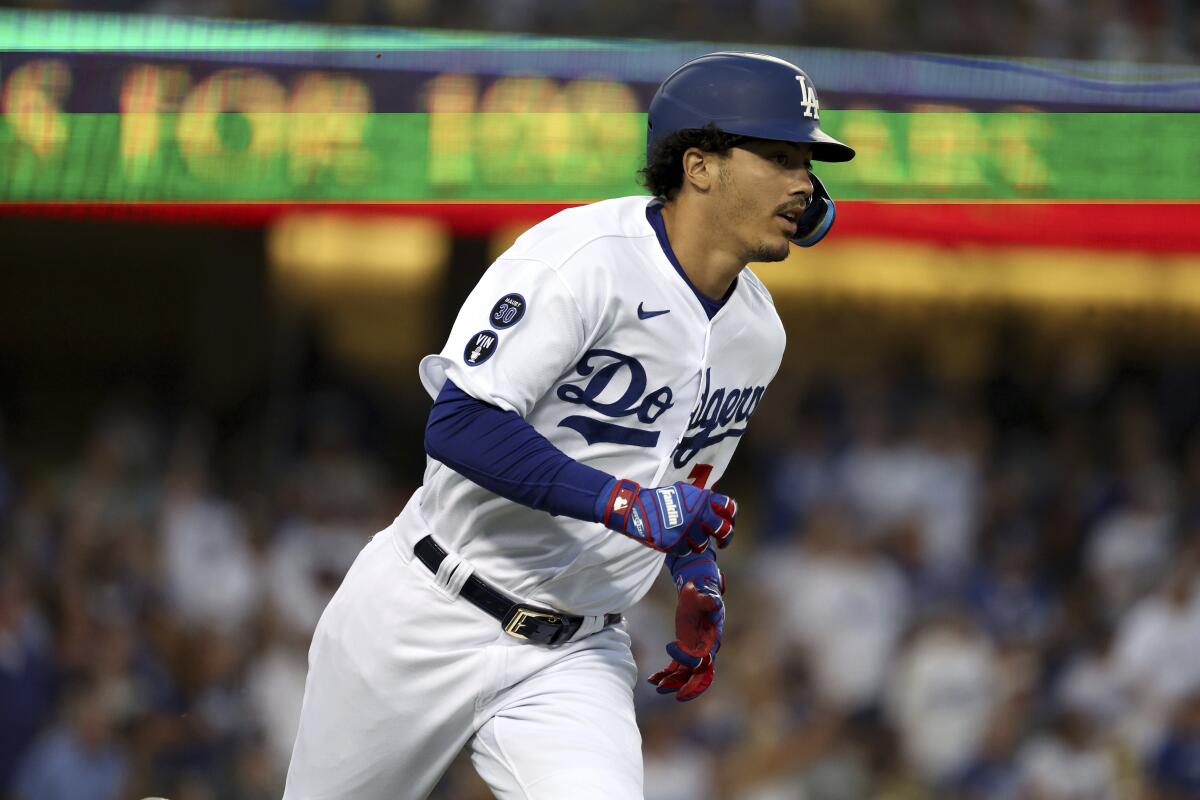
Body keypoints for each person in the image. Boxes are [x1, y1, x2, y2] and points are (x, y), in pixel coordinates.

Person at [283, 51, 855, 800]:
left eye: (808, 163)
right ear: (701, 165)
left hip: (574, 653)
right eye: (780, 156)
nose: (804, 184)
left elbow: (673, 486)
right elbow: (460, 426)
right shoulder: (582, 258)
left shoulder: (758, 334)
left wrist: (692, 566)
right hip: (425, 611)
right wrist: (628, 507)